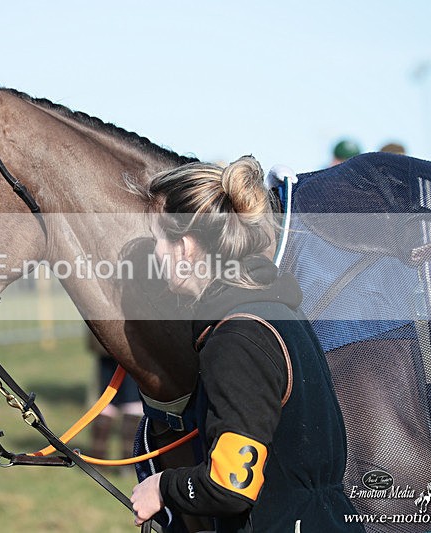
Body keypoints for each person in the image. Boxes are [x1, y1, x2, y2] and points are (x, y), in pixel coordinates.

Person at [130, 157, 361, 531]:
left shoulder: (237, 338)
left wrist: (163, 485)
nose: (155, 254)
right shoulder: (275, 311)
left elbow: (231, 485)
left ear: (185, 247)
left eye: (158, 239)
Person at [86, 329, 143, 475]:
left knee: (107, 400)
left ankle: (97, 460)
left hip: (104, 336)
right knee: (131, 401)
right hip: (131, 340)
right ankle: (128, 464)